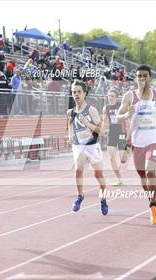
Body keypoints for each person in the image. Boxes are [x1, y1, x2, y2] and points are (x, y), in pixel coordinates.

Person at [116, 65, 156, 225]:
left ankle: (153, 207)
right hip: (137, 143)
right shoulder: (129, 96)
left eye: (145, 76)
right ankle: (151, 200)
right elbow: (118, 118)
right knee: (143, 177)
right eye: (139, 76)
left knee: (150, 172)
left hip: (154, 140)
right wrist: (127, 113)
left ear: (150, 78)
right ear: (135, 78)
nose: (142, 78)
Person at [67, 80, 108, 215]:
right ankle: (80, 196)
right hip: (79, 146)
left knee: (98, 175)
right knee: (78, 170)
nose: (76, 94)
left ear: (85, 93)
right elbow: (70, 125)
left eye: (79, 92)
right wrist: (70, 136)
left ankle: (103, 199)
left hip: (92, 146)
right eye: (74, 92)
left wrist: (87, 124)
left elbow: (101, 130)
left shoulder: (91, 110)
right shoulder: (71, 112)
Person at [102, 88, 126, 186]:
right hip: (112, 132)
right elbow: (105, 121)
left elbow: (126, 119)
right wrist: (104, 129)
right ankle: (119, 179)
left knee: (122, 158)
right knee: (111, 157)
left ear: (116, 97)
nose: (110, 98)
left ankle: (126, 150)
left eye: (112, 96)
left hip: (120, 132)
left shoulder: (121, 106)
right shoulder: (106, 108)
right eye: (109, 96)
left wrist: (127, 134)